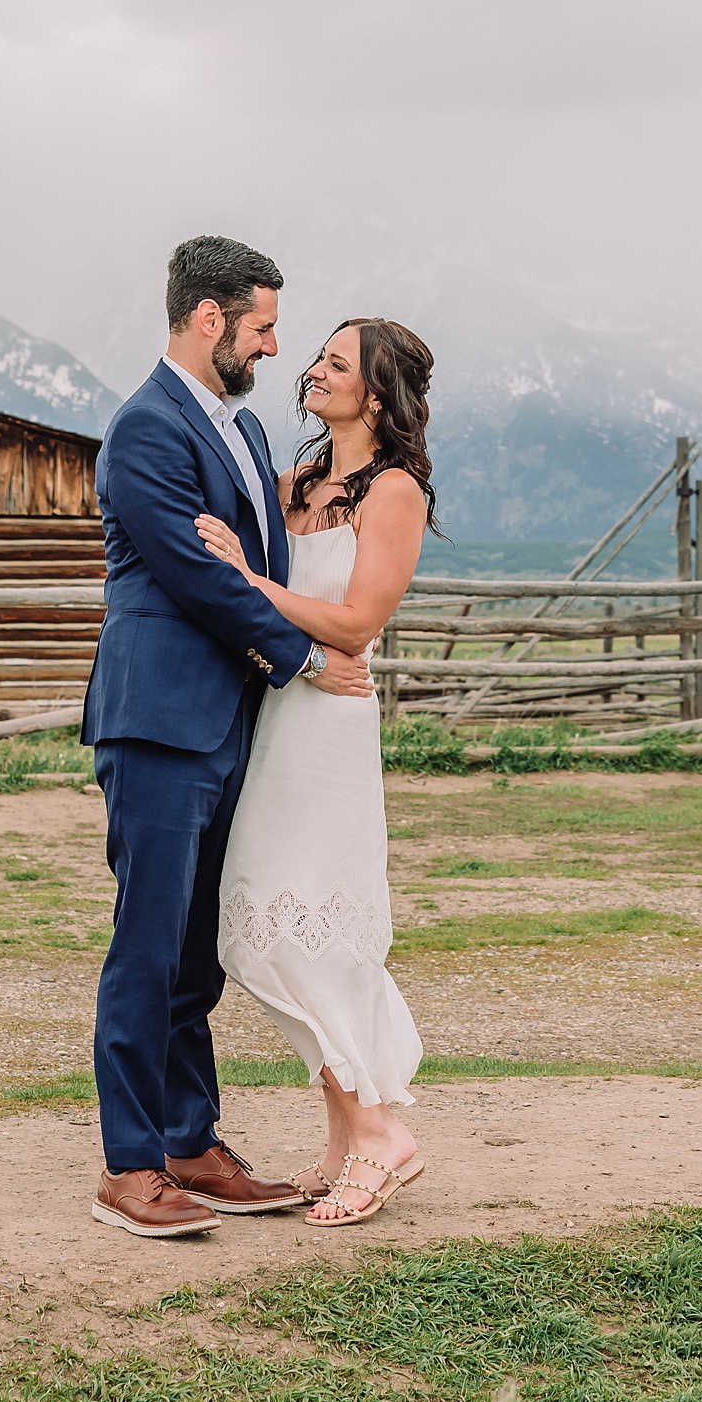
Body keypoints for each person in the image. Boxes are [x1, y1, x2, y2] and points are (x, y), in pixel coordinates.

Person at [84, 236, 376, 1239]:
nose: (271, 346)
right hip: (159, 722)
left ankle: (189, 1140)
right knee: (146, 944)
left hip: (227, 724)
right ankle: (129, 1166)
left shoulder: (245, 436)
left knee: (195, 954)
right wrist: (305, 661)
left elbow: (258, 565)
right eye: (261, 327)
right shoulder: (146, 432)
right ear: (209, 320)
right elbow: (198, 577)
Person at [196, 318, 436, 1225]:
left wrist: (249, 584)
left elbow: (356, 624)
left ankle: (379, 1135)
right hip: (278, 710)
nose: (316, 369)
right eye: (320, 356)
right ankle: (346, 1140)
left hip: (330, 726)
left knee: (308, 925)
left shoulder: (397, 491)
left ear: (375, 394)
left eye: (338, 363)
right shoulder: (295, 481)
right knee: (258, 924)